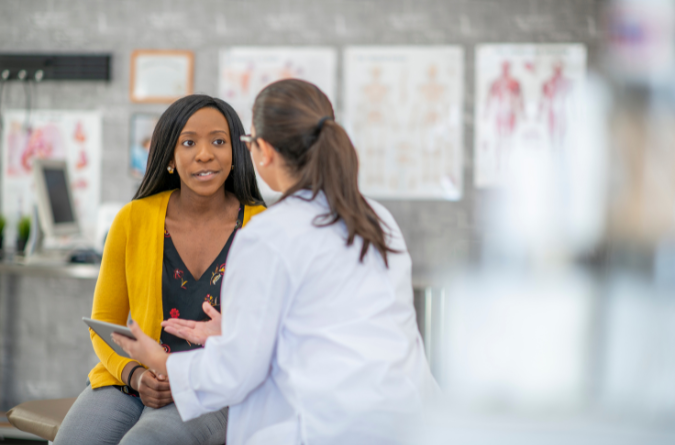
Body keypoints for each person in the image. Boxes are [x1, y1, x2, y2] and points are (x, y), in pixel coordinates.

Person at [114, 79, 438, 445]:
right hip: (403, 420)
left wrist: (157, 360)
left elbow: (235, 373)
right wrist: (232, 331)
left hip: (318, 427)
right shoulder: (377, 218)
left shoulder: (267, 234)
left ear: (263, 151)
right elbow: (331, 331)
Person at [55, 94, 266, 445]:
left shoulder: (263, 226)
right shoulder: (133, 218)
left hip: (209, 386)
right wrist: (135, 375)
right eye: (188, 142)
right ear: (169, 156)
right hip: (133, 382)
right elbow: (103, 323)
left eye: (218, 141)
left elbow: (265, 336)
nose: (204, 154)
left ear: (236, 154)